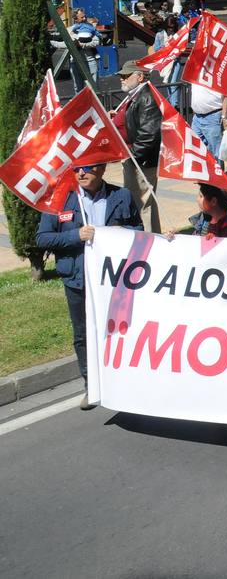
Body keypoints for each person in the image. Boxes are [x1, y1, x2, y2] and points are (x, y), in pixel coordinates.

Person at [36, 163, 143, 410]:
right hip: (77, 279)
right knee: (83, 334)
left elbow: (139, 231)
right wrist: (77, 236)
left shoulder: (121, 196)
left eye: (88, 168)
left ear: (102, 169)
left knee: (120, 330)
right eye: (76, 169)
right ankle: (91, 386)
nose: (81, 173)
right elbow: (42, 238)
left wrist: (121, 232)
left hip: (114, 281)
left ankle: (123, 382)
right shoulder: (61, 199)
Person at [117, 63, 162, 233]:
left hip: (142, 162)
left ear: (140, 77)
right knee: (141, 203)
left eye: (126, 76)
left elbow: (149, 134)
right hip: (138, 159)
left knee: (143, 205)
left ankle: (150, 243)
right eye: (121, 76)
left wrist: (132, 156)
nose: (122, 79)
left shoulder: (146, 97)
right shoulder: (136, 95)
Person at [188, 80, 227, 168]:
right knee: (195, 147)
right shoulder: (195, 72)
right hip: (197, 117)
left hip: (212, 116)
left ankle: (219, 176)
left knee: (216, 151)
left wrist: (224, 117)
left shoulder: (216, 73)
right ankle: (204, 174)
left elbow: (226, 96)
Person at [69, 8, 101, 93]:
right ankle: (81, 105)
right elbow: (66, 43)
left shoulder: (89, 27)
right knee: (78, 88)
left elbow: (96, 41)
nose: (84, 19)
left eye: (84, 16)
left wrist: (82, 44)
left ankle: (94, 105)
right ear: (75, 19)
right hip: (76, 62)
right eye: (81, 17)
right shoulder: (70, 30)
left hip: (90, 61)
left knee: (93, 88)